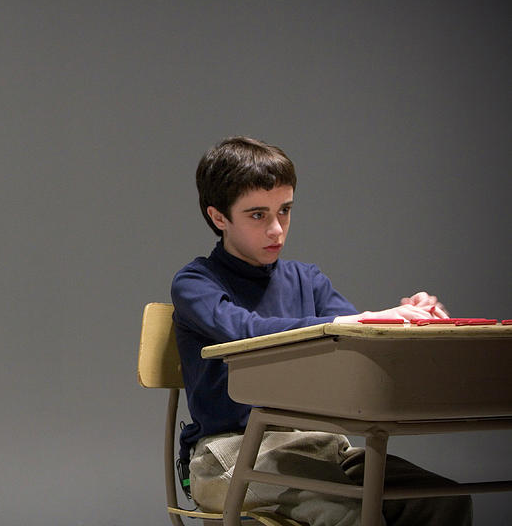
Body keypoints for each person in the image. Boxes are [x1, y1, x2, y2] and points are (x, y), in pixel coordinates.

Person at [171, 136, 472, 526]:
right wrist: (351, 322)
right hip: (229, 452)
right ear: (219, 217)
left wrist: (408, 318)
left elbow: (359, 344)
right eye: (258, 215)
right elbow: (246, 332)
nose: (277, 229)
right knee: (349, 514)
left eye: (285, 210)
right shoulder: (195, 282)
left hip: (320, 448)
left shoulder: (306, 279)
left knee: (442, 501)